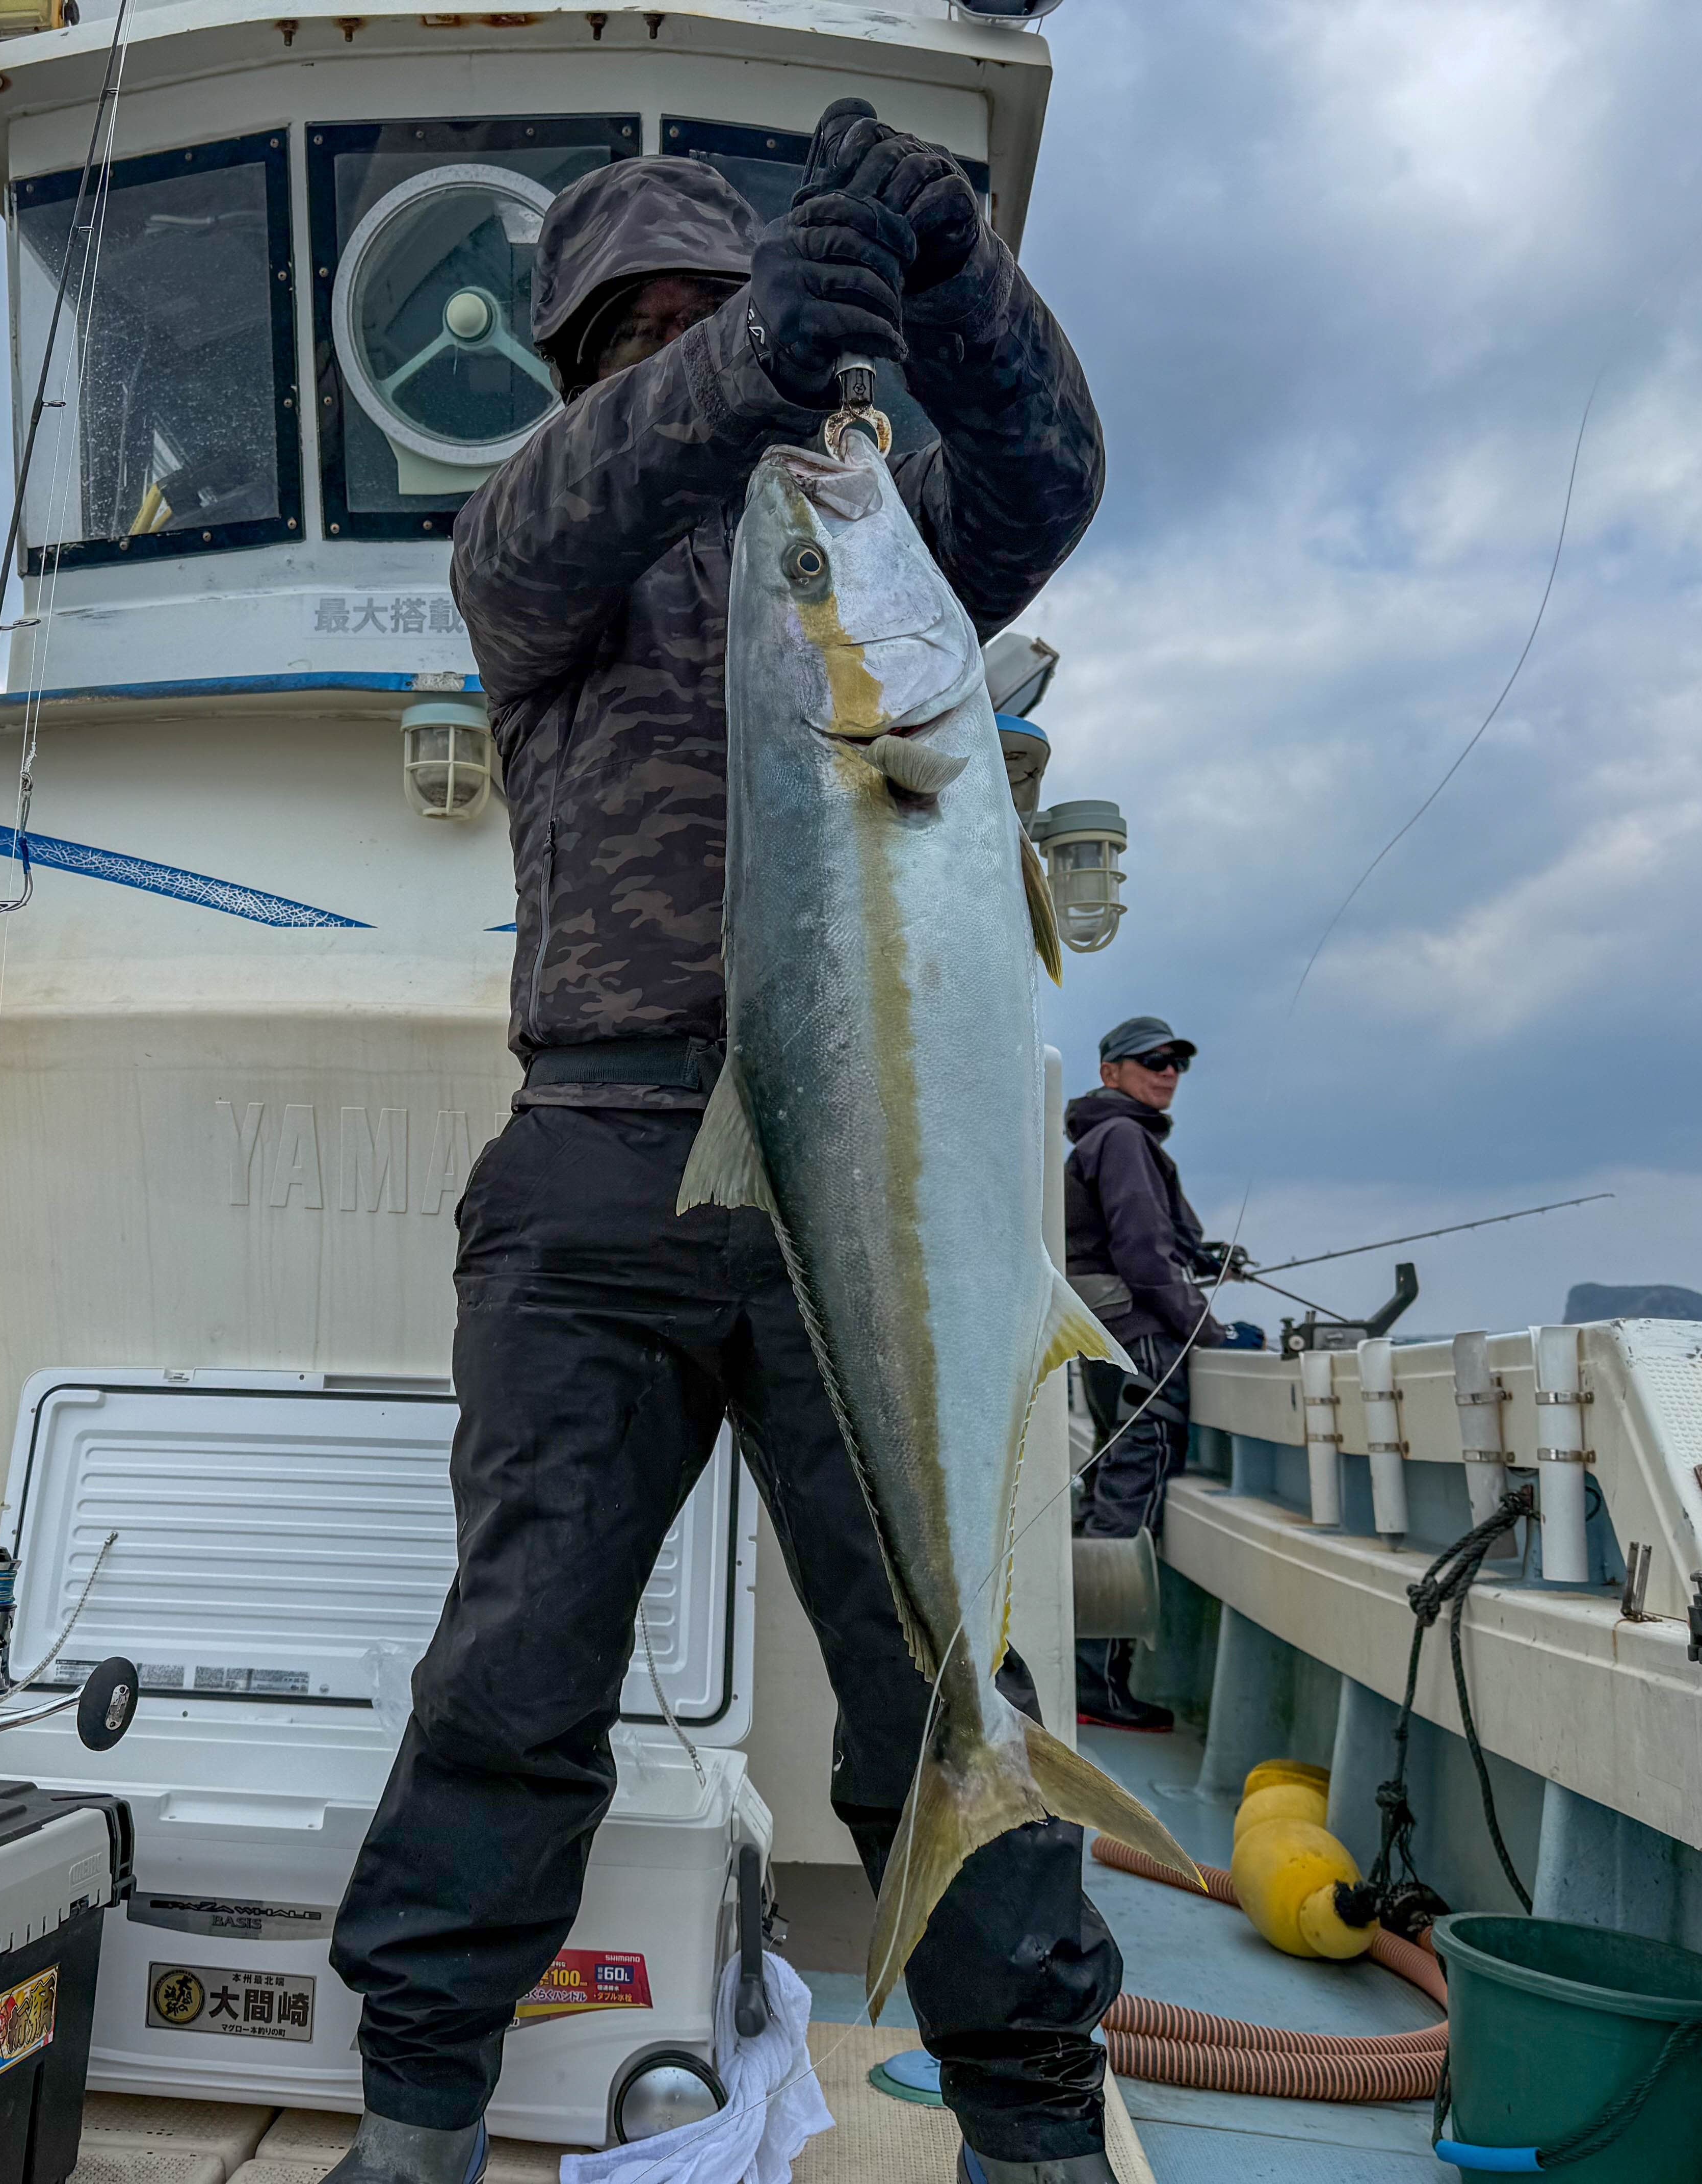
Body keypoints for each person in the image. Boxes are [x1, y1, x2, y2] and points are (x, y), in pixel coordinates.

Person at [322, 103, 1119, 2184]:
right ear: (580, 365)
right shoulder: (539, 558)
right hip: (600, 1164)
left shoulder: (873, 540)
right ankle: (415, 2122)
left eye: (712, 303)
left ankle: (1033, 2127)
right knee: (515, 1664)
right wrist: (759, 344)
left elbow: (1045, 473)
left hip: (864, 1164)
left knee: (937, 1669)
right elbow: (573, 499)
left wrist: (957, 276)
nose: (678, 344)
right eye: (637, 328)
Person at [1062, 1016, 1224, 1732]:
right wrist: (1208, 1330)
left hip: (1107, 1341)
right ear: (1111, 1073)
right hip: (1142, 1342)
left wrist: (1200, 1258)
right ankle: (1095, 1684)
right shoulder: (1125, 1138)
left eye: (1177, 1061)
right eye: (1152, 1060)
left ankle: (1079, 1669)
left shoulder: (1098, 1141)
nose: (1168, 1072)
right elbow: (1144, 1256)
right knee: (1129, 1499)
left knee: (1109, 1490)